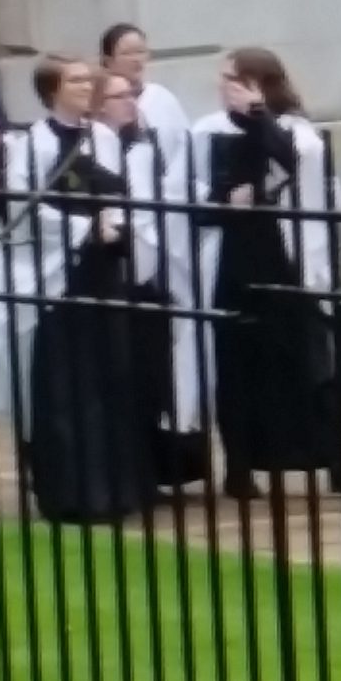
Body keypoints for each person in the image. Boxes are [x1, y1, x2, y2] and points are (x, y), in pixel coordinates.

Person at [0, 56, 159, 524]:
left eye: (87, 79)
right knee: (64, 386)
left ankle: (117, 489)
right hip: (55, 277)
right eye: (74, 80)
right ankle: (71, 493)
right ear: (52, 90)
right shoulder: (30, 144)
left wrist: (112, 226)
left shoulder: (105, 138)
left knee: (109, 378)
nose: (85, 86)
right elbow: (26, 207)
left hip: (101, 271)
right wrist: (82, 228)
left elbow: (122, 195)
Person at [188, 48, 341, 501]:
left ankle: (337, 461)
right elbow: (190, 196)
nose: (223, 85)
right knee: (238, 363)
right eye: (224, 79)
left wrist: (258, 116)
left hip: (288, 259)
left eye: (235, 79)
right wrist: (224, 204)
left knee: (315, 361)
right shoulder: (207, 131)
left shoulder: (295, 130)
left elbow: (294, 163)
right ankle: (241, 467)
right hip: (234, 259)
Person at [97, 69, 209, 491]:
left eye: (132, 94)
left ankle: (160, 465)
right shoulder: (95, 146)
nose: (131, 102)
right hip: (111, 271)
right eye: (119, 95)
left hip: (153, 271)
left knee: (156, 372)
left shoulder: (146, 146)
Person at [99, 24, 192, 191]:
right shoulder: (98, 103)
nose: (136, 59)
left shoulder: (162, 97)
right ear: (108, 61)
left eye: (140, 51)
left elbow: (184, 147)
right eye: (127, 53)